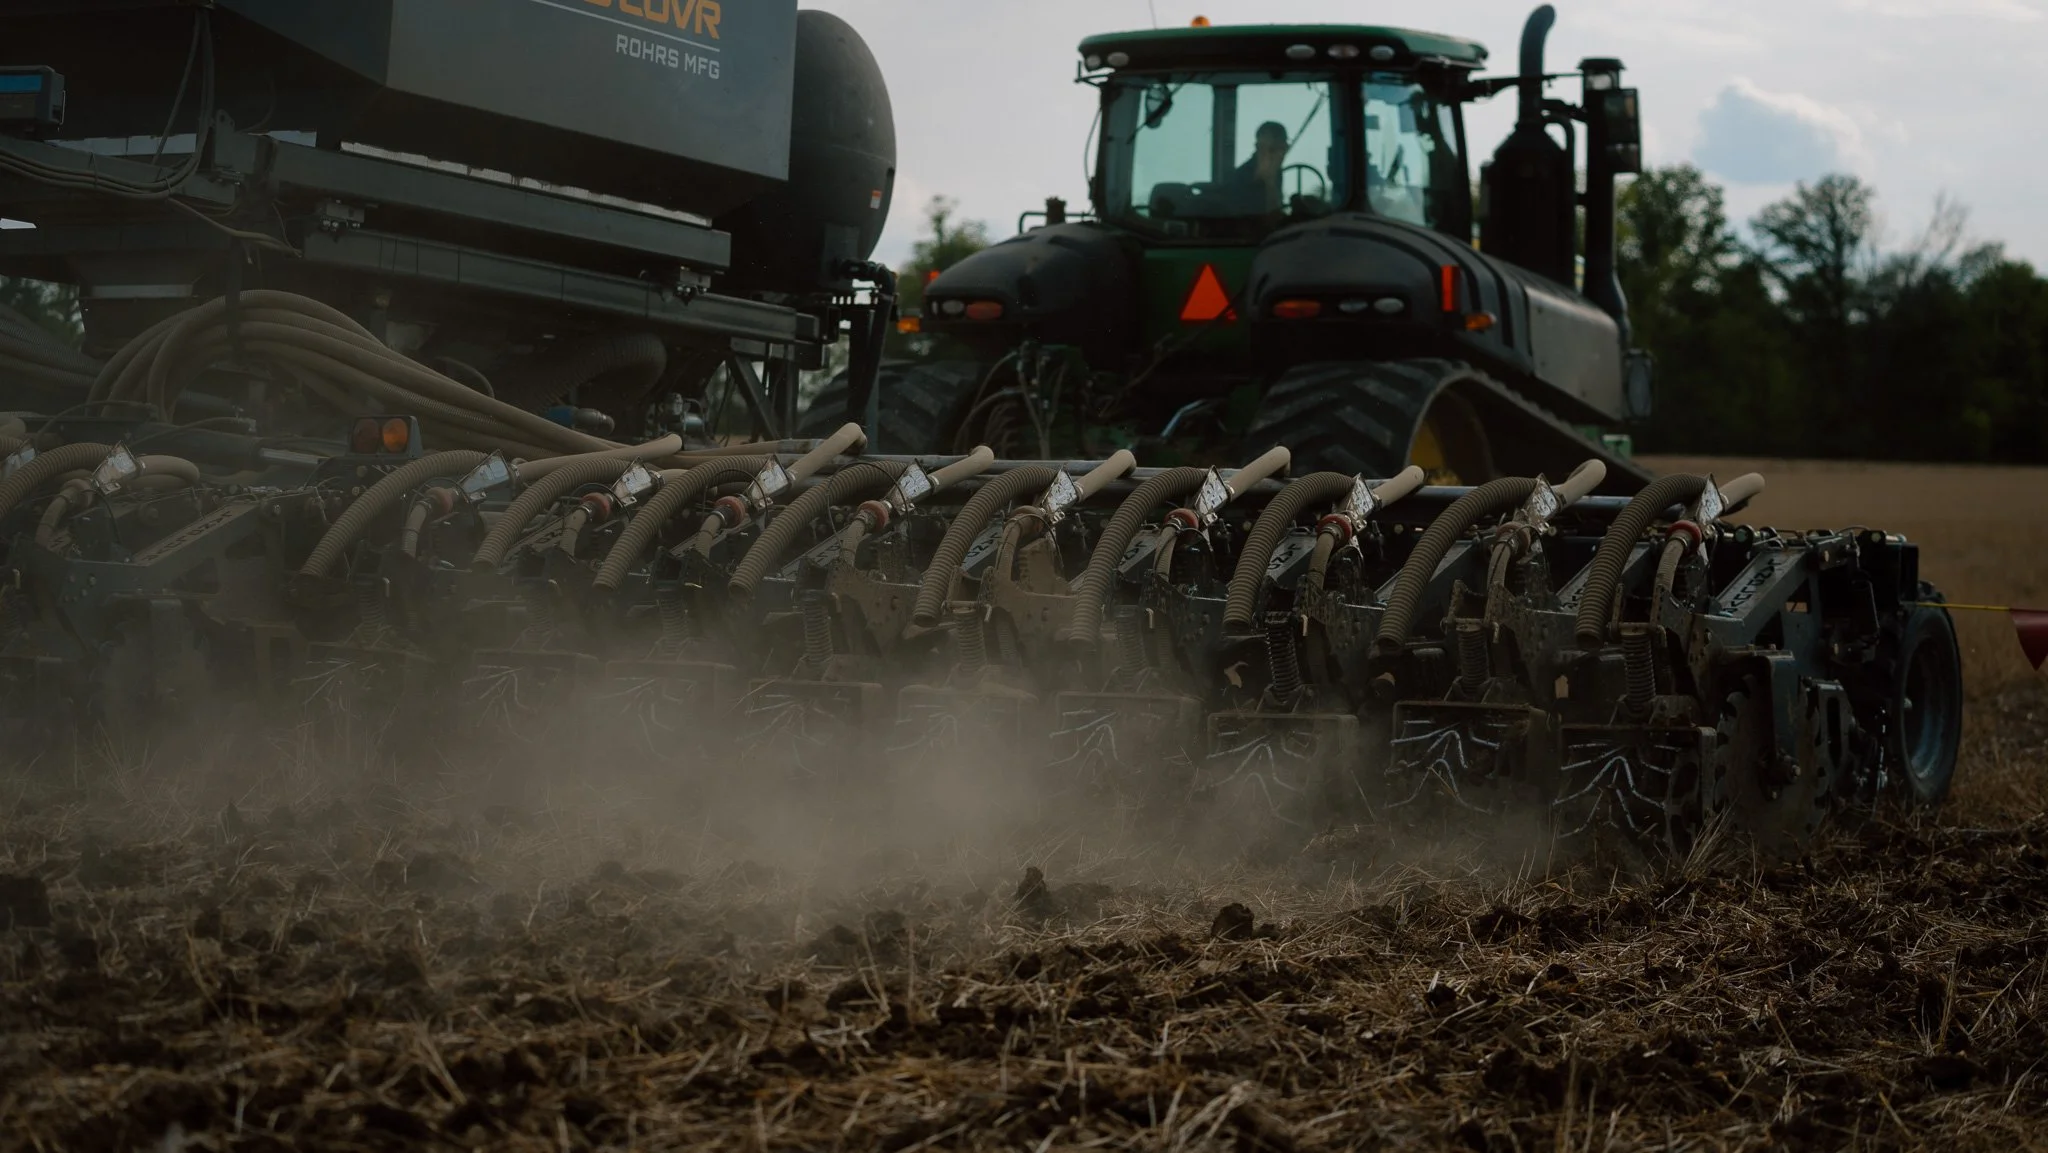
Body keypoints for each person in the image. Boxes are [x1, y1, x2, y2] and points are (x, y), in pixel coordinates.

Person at [1226, 121, 1290, 213]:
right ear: (1258, 147)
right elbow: (1270, 217)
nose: (1282, 154)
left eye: (1284, 148)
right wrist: (1269, 183)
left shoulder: (1276, 172)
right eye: (1272, 149)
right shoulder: (1242, 176)